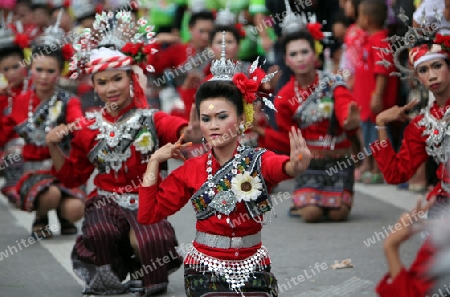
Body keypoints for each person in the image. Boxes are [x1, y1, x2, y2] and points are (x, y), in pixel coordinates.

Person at [46, 10, 200, 296]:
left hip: (147, 200)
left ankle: (146, 273)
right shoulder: (86, 126)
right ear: (93, 86)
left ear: (131, 79)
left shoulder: (151, 118)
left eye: (117, 79)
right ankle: (112, 277)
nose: (110, 88)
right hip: (106, 201)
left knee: (145, 238)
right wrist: (53, 145)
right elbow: (71, 176)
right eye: (102, 82)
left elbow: (180, 130)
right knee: (99, 232)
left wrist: (189, 133)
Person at [138, 49, 312, 296]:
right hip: (205, 268)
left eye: (222, 116)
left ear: (242, 119)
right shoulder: (192, 169)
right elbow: (148, 215)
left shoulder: (257, 160)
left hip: (253, 265)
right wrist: (154, 161)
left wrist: (294, 166)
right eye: (206, 119)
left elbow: (278, 166)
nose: (214, 125)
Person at [252, 24, 360, 222]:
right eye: (294, 54)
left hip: (339, 159)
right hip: (308, 162)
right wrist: (260, 131)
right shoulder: (284, 98)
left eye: (304, 51)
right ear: (287, 60)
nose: (300, 58)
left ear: (314, 54)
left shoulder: (332, 83)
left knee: (339, 214)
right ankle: (304, 201)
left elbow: (345, 105)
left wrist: (349, 120)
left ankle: (310, 200)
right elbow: (287, 139)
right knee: (312, 214)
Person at [0, 12, 85, 238]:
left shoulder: (69, 100)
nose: (44, 76)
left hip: (62, 168)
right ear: (31, 70)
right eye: (39, 70)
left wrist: (65, 130)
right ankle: (41, 216)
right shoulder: (20, 101)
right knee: (51, 194)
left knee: (76, 209)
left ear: (59, 73)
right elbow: (4, 132)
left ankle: (64, 215)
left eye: (50, 71)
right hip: (33, 171)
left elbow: (79, 124)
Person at [372, 27, 450, 219]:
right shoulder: (422, 124)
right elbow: (396, 174)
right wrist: (381, 124)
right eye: (423, 70)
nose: (432, 76)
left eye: (437, 66)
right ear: (417, 77)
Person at [353, 0, 399, 184]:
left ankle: (379, 169)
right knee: (368, 135)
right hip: (365, 103)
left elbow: (382, 71)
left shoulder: (380, 40)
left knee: (377, 136)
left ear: (367, 19)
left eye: (359, 15)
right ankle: (370, 166)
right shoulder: (369, 39)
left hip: (375, 102)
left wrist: (377, 95)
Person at [0, 22, 30, 206]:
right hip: (9, 147)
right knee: (16, 153)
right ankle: (13, 187)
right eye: (5, 69)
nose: (11, 73)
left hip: (34, 143)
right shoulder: (3, 96)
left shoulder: (34, 88)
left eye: (16, 66)